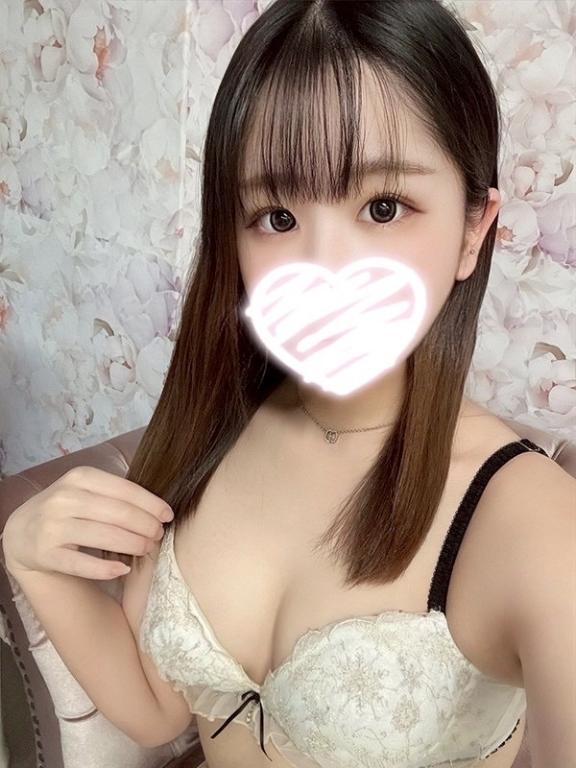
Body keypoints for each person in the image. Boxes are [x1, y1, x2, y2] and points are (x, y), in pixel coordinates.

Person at [3, 1, 574, 767]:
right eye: (276, 216)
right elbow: (157, 711)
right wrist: (33, 561)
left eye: (383, 207)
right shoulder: (217, 426)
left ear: (474, 228)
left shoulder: (532, 524)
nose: (324, 269)